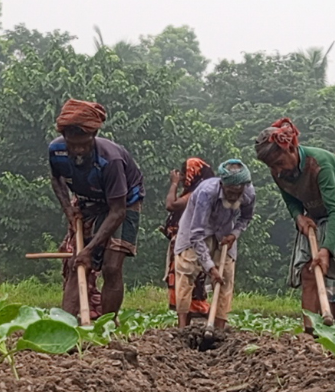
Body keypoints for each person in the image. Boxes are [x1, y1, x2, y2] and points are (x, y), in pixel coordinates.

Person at [255, 119, 335, 331]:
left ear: (292, 148)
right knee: (308, 271)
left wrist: (326, 249)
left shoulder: (319, 165)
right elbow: (289, 198)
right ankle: (310, 332)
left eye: (279, 163)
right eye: (272, 166)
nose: (278, 170)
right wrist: (298, 217)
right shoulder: (277, 171)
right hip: (314, 211)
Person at [48, 99, 144, 318]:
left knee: (111, 266)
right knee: (77, 263)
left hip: (123, 203)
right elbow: (56, 179)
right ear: (65, 139)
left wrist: (90, 249)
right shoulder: (56, 151)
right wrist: (68, 209)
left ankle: (106, 325)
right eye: (74, 144)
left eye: (85, 144)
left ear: (93, 137)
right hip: (86, 200)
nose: (79, 149)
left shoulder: (110, 160)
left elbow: (117, 211)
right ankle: (68, 324)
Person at [173, 160, 256, 328]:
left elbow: (245, 218)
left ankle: (219, 328)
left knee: (226, 276)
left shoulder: (248, 193)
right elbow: (196, 234)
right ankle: (182, 329)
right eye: (229, 191)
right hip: (194, 230)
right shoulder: (206, 192)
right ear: (222, 184)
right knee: (186, 272)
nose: (233, 196)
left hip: (224, 233)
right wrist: (210, 268)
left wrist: (234, 234)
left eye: (237, 192)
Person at [162, 158, 217, 316]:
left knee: (191, 279)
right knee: (181, 279)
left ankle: (194, 311)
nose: (183, 177)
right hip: (183, 242)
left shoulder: (197, 193)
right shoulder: (191, 192)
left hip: (191, 243)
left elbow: (171, 205)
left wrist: (173, 184)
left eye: (186, 174)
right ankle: (186, 314)